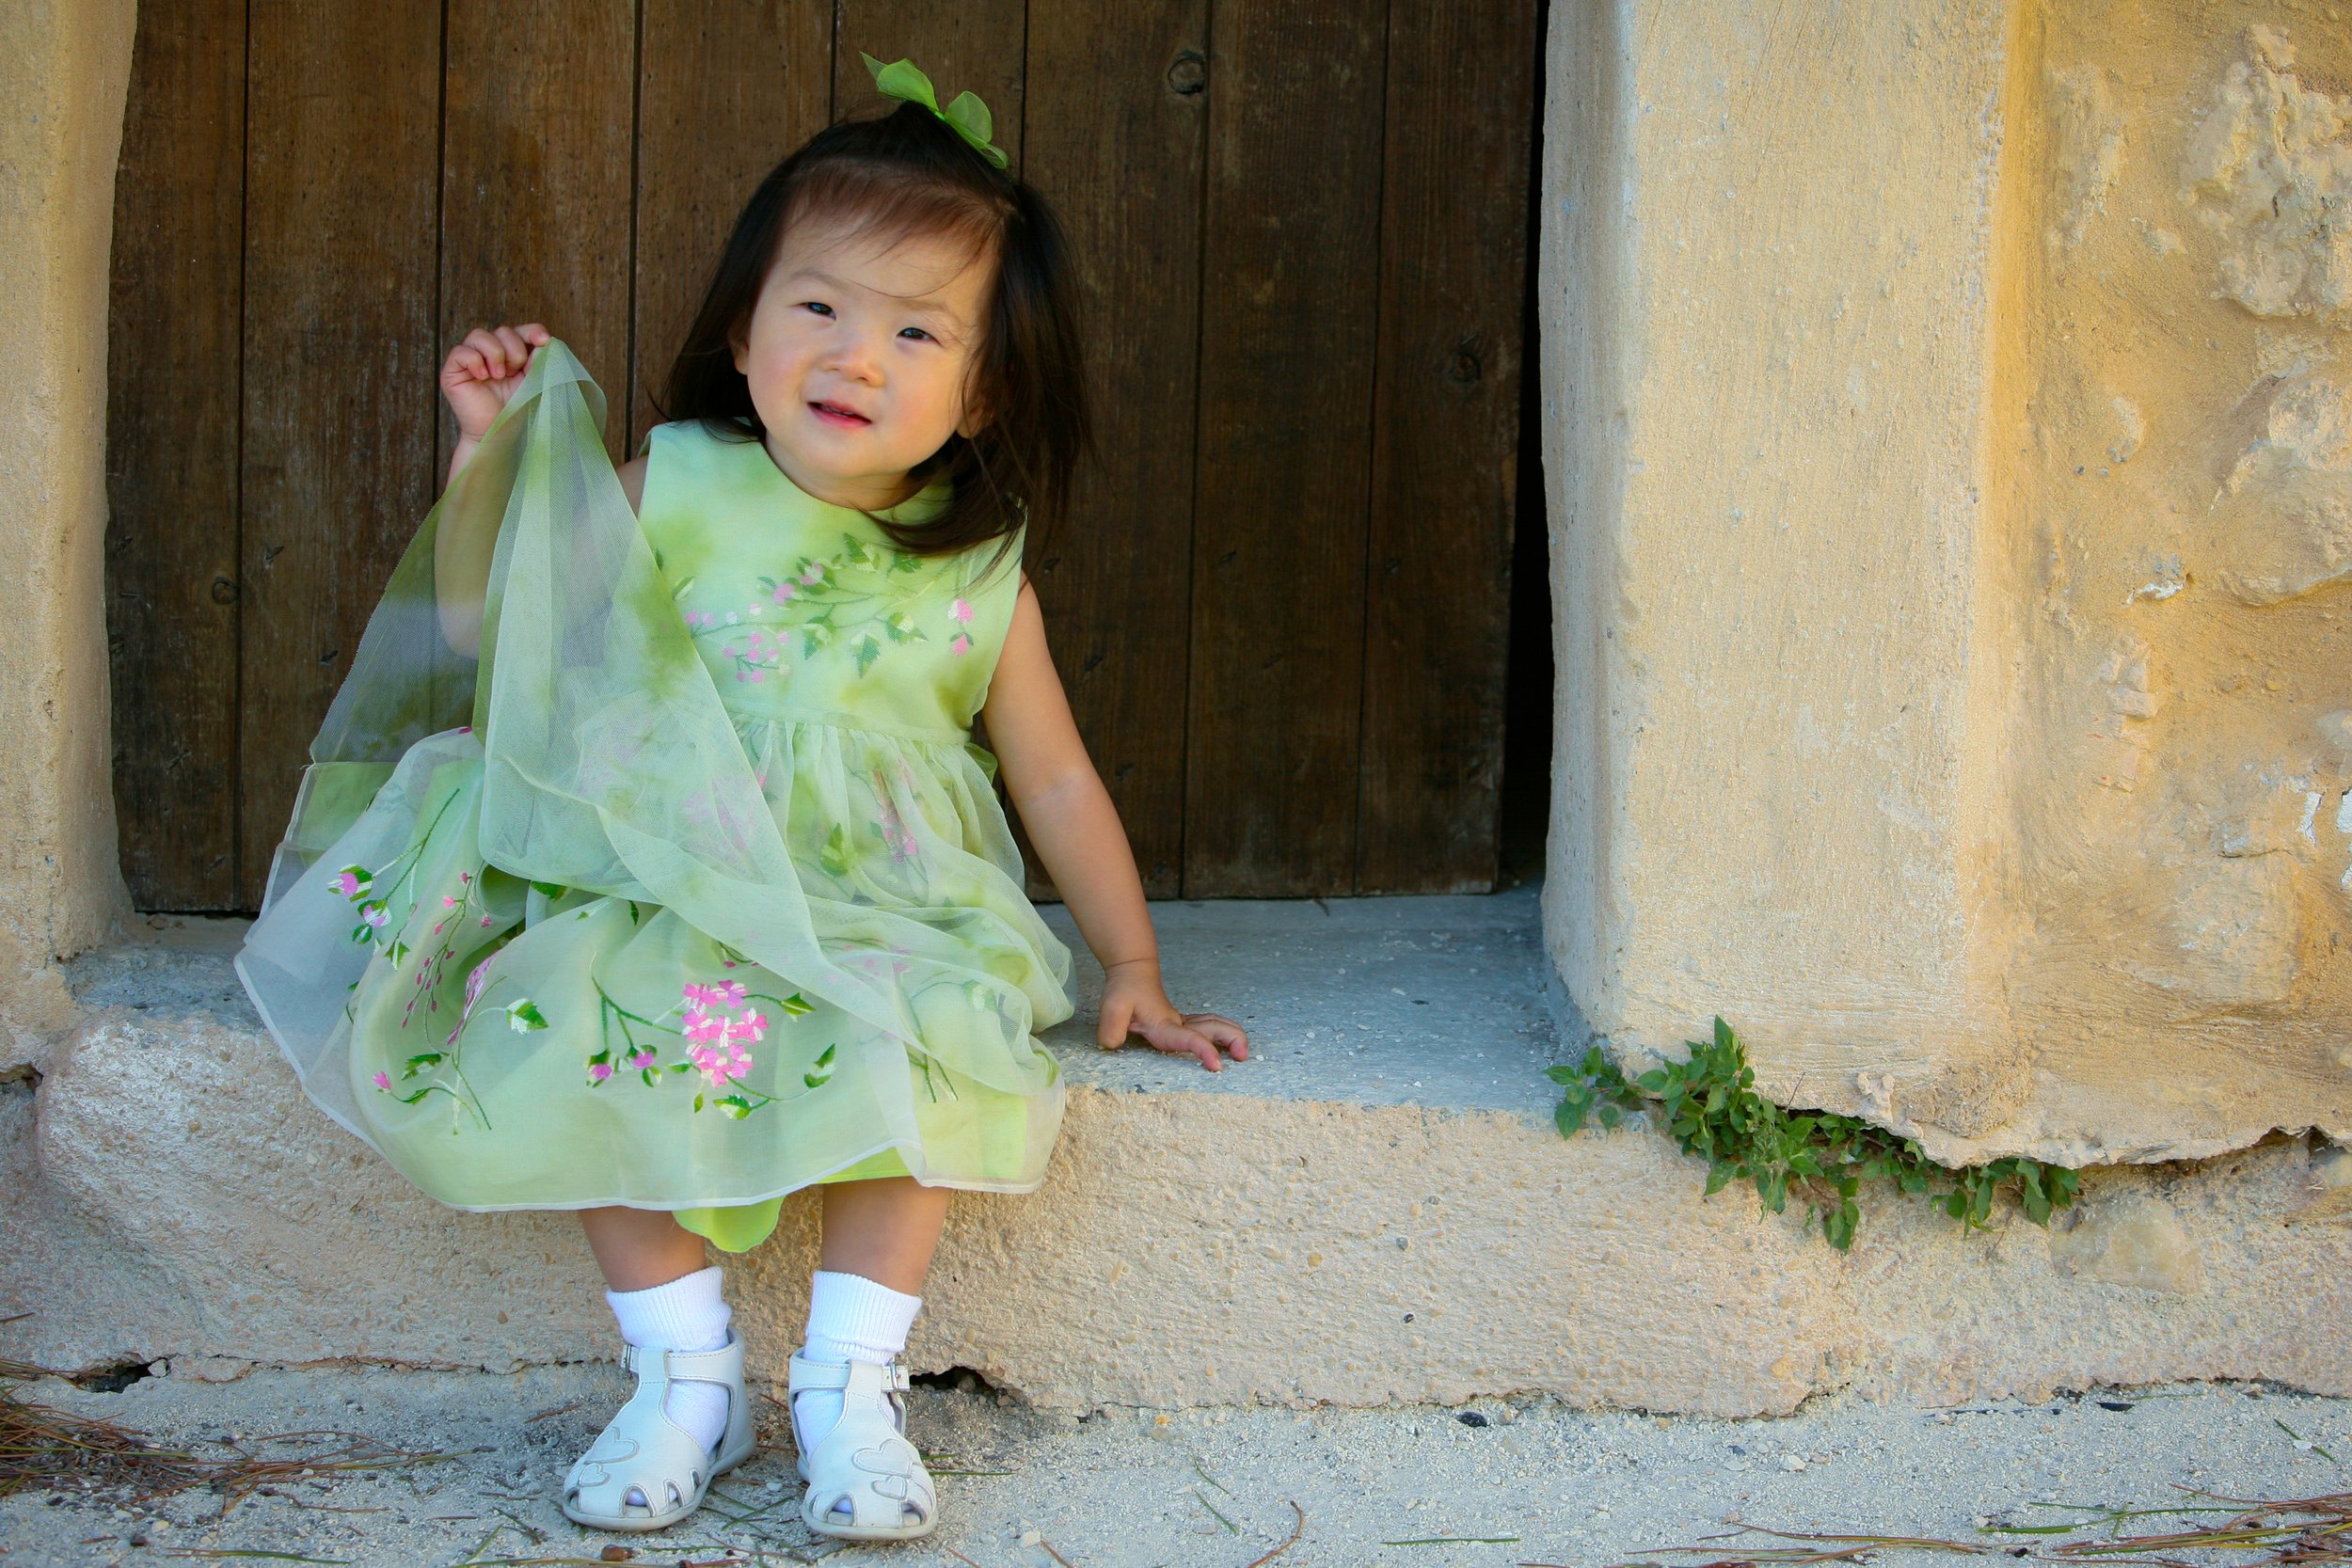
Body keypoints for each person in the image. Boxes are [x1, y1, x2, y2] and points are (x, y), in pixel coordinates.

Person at [233, 55, 1248, 1544]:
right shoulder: (680, 482)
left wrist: (1136, 967)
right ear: (747, 325)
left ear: (984, 391)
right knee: (575, 1017)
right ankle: (683, 1374)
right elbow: (484, 628)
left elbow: (1052, 772)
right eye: (820, 306)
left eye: (919, 330)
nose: (858, 354)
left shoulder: (976, 568)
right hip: (662, 861)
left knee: (935, 1039)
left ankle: (850, 1382)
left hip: (872, 896)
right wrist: (486, 455)